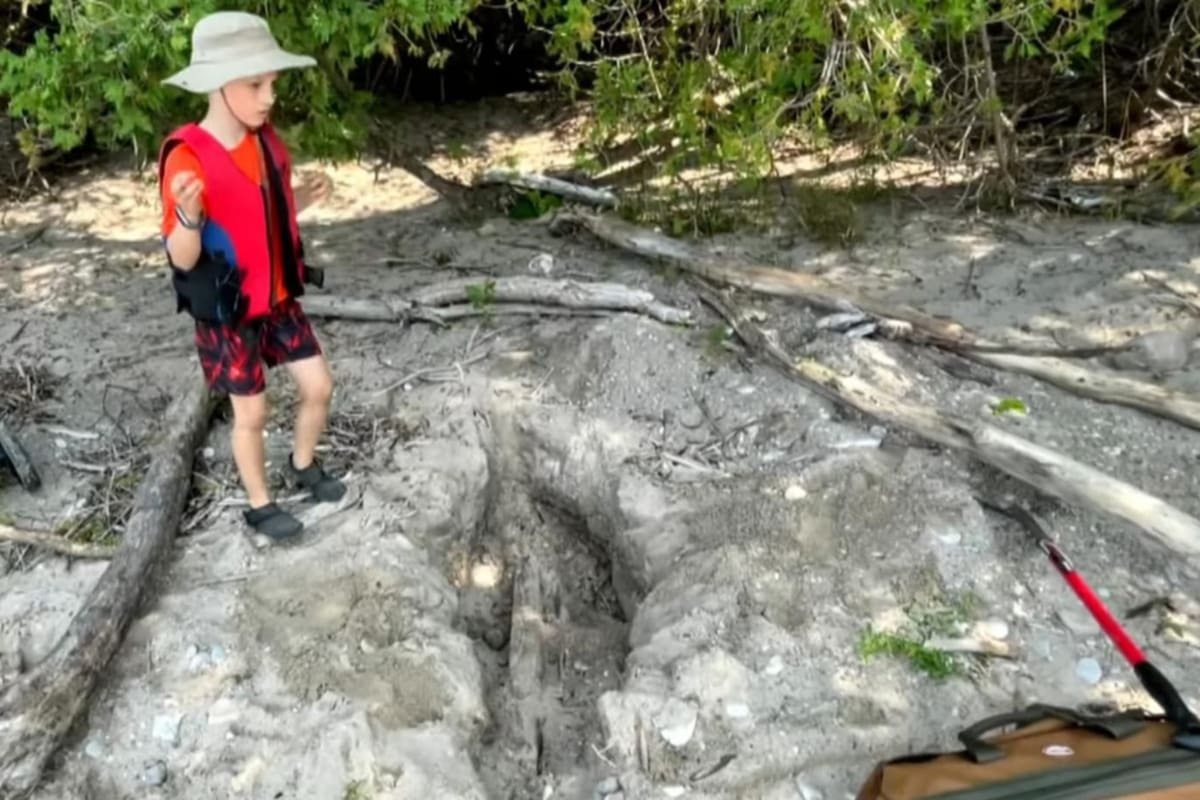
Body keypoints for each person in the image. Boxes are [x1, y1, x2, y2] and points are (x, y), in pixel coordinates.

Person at [158, 11, 345, 540]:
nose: (269, 98)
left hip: (279, 298)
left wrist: (302, 198)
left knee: (318, 385)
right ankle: (260, 502)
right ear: (220, 84)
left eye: (272, 84)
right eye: (256, 84)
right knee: (252, 414)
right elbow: (184, 255)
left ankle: (304, 463)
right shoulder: (187, 156)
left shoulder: (265, 142)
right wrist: (190, 217)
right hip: (229, 309)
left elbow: (265, 213)